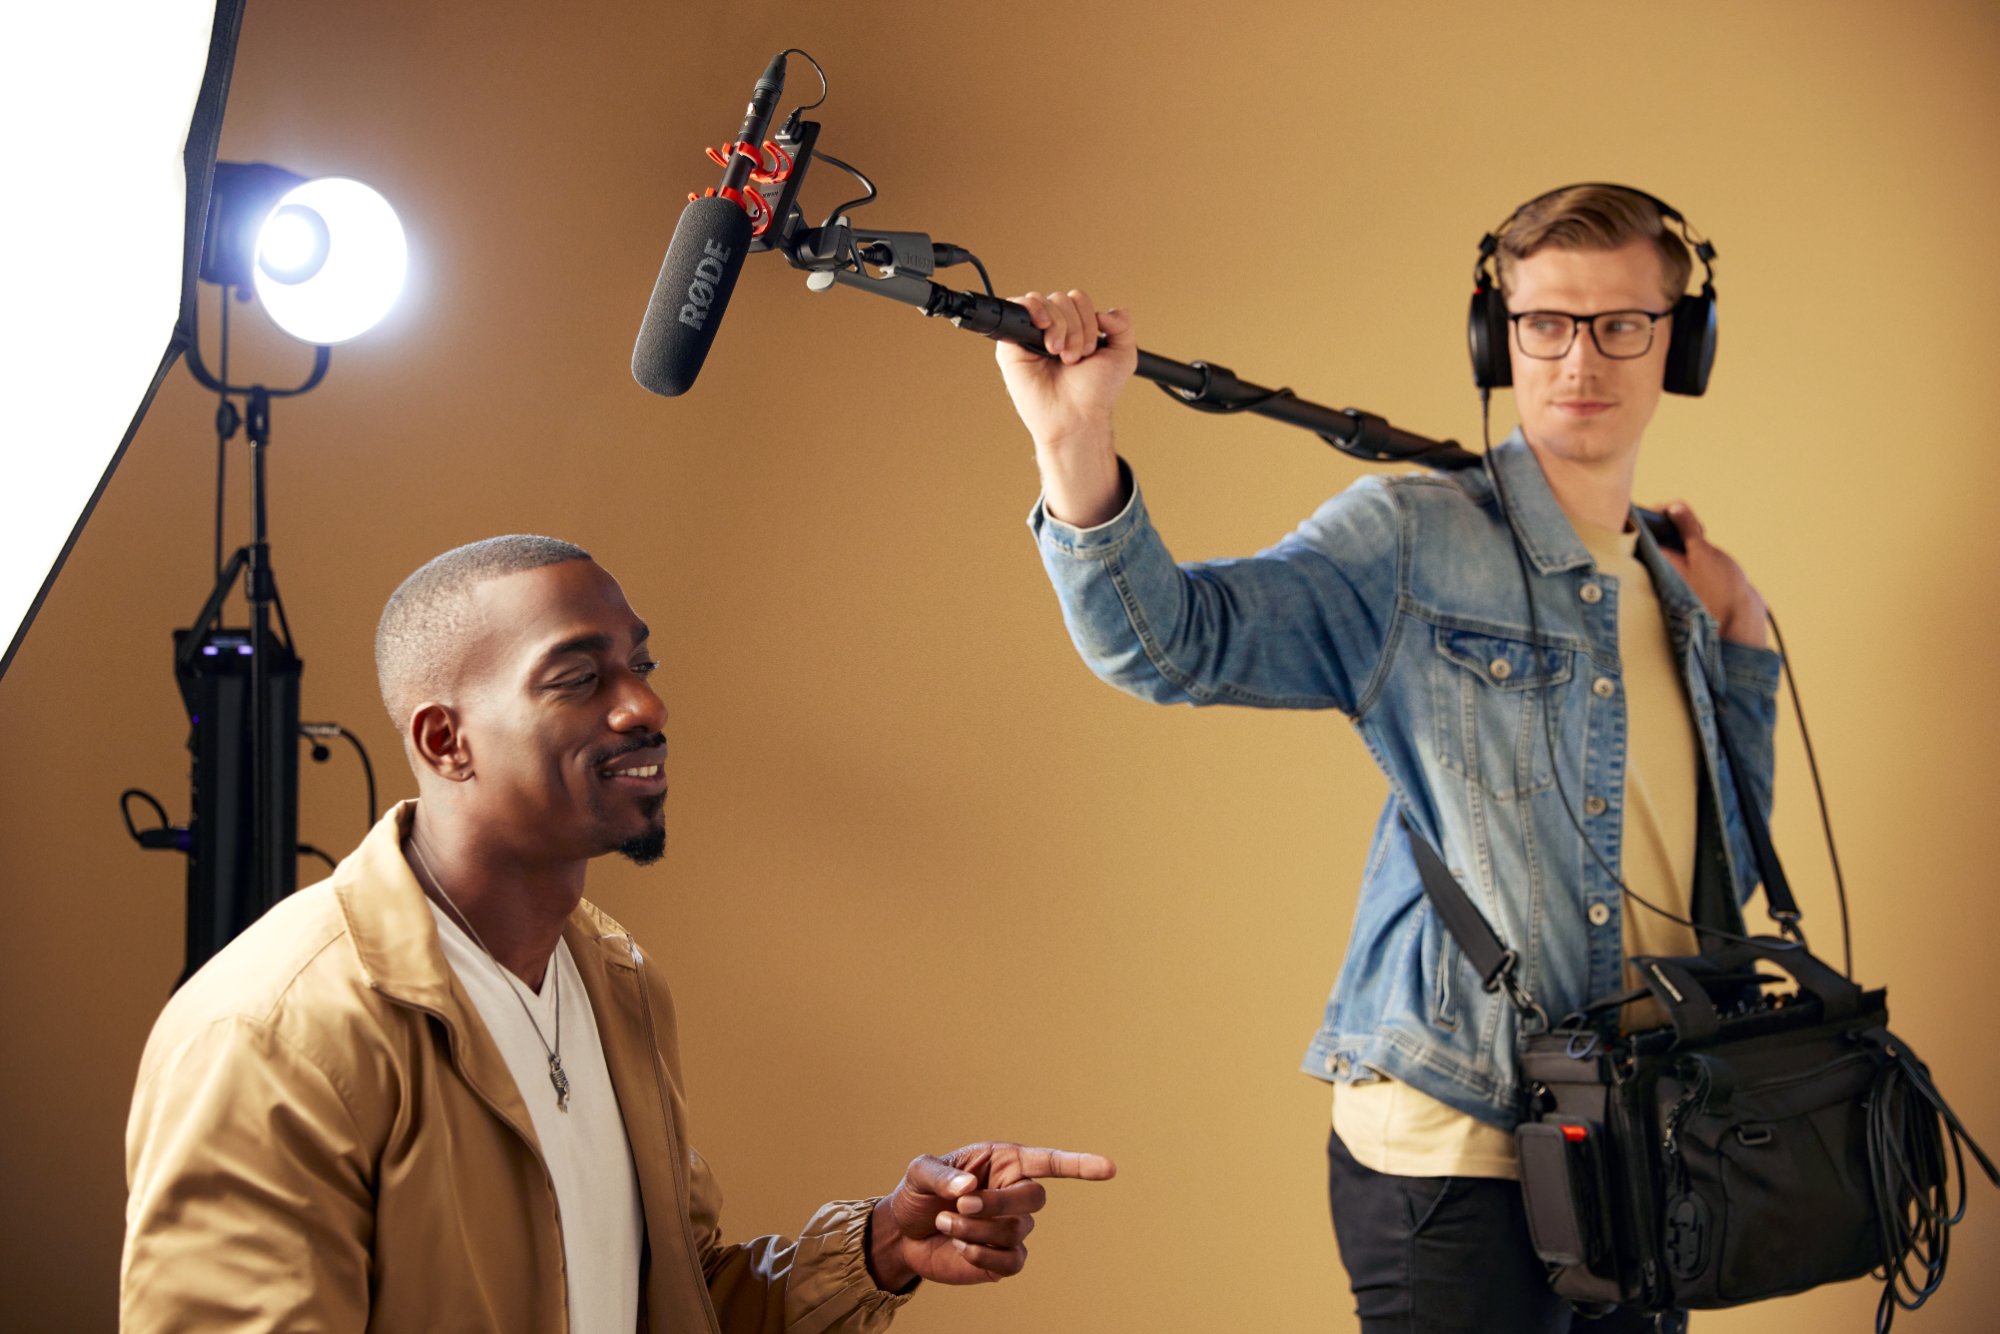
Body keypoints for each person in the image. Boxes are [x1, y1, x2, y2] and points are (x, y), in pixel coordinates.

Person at [996, 185, 1780, 1332]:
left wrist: (1741, 641)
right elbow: (1168, 642)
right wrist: (1072, 437)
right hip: (1456, 1147)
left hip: (1636, 1151)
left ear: (1681, 343)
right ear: (1497, 336)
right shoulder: (1411, 538)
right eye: (1544, 323)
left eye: (1621, 323)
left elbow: (1720, 888)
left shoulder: (1679, 591)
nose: (1579, 359)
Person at [121, 535, 1115, 1334]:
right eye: (578, 678)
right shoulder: (275, 1033)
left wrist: (884, 1244)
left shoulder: (612, 979)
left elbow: (673, 1301)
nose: (645, 704)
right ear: (444, 740)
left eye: (638, 664)